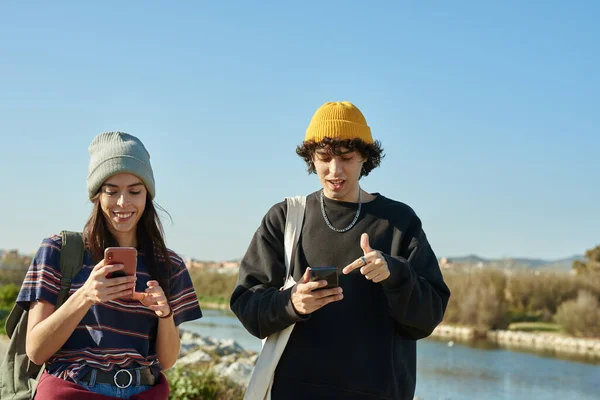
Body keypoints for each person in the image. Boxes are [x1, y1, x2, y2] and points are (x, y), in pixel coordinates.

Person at [231, 101, 451, 400]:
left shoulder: (400, 221)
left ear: (365, 158)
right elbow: (247, 306)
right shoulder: (286, 218)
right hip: (295, 392)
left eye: (346, 158)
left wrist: (396, 274)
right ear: (311, 158)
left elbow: (428, 318)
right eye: (324, 158)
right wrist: (292, 303)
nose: (335, 170)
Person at [16, 131, 202, 399]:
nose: (123, 203)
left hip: (143, 391)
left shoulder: (170, 265)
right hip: (73, 390)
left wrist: (165, 315)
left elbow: (168, 360)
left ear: (147, 195)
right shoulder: (58, 251)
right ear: (96, 196)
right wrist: (85, 296)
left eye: (135, 191)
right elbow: (35, 350)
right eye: (111, 191)